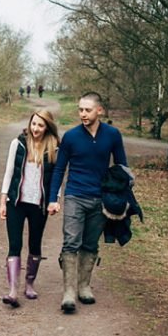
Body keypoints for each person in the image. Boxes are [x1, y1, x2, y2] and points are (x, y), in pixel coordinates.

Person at [47, 91, 133, 313]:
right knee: (71, 242)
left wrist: (122, 195)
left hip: (100, 198)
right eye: (80, 110)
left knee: (90, 244)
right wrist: (53, 198)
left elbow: (122, 168)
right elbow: (59, 169)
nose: (82, 114)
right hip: (75, 195)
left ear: (99, 110)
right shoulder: (71, 136)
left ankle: (84, 286)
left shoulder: (112, 135)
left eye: (87, 110)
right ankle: (68, 292)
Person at [0, 108, 60, 307]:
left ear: (47, 127)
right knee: (14, 244)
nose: (36, 128)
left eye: (40, 125)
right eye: (33, 124)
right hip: (16, 202)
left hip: (39, 205)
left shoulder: (54, 148)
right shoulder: (18, 144)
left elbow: (56, 179)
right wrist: (3, 201)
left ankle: (29, 284)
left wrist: (55, 199)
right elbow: (9, 173)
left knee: (35, 244)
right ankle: (12, 290)